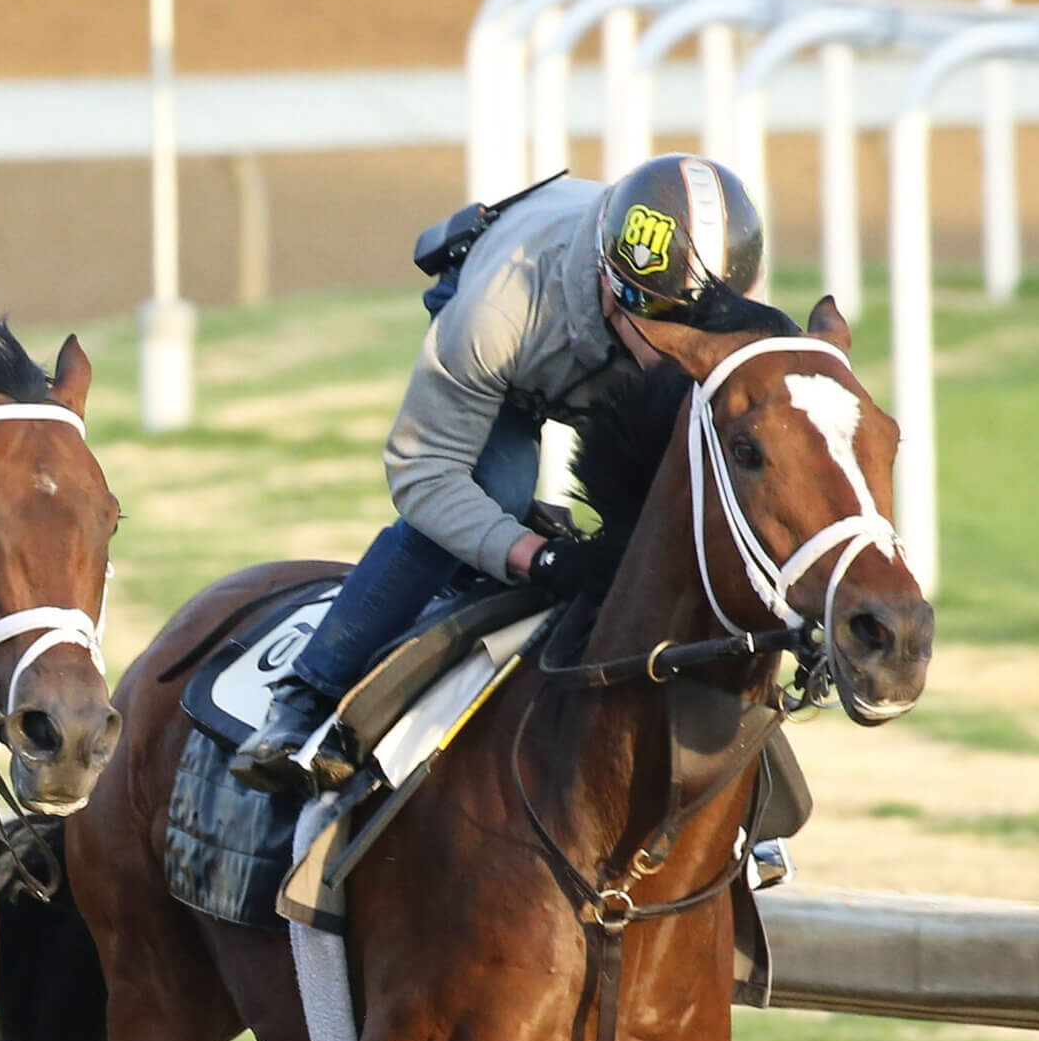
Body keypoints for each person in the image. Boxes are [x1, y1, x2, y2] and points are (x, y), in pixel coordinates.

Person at [230, 152, 766, 799]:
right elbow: (423, 472)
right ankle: (305, 698)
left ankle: (747, 776)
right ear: (609, 282)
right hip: (516, 345)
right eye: (658, 324)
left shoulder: (726, 314)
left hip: (589, 351)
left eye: (698, 329)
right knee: (496, 495)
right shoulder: (497, 311)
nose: (678, 350)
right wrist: (537, 559)